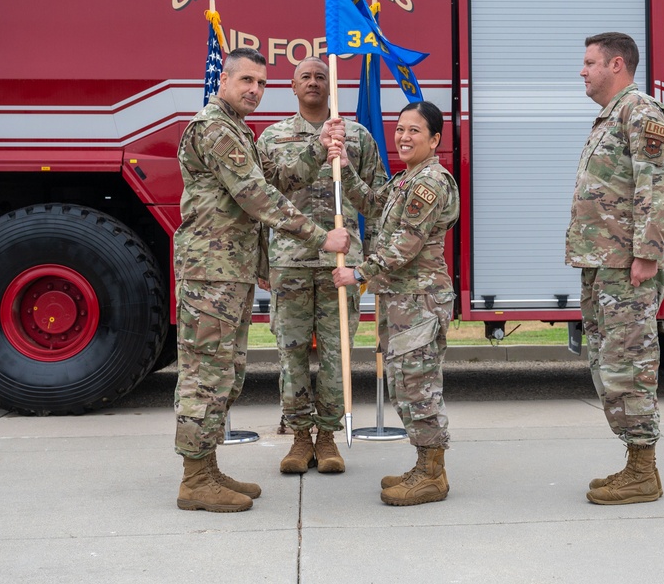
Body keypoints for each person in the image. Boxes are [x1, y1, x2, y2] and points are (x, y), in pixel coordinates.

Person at [172, 47, 350, 513]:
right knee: (204, 375)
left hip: (229, 271)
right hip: (210, 273)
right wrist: (319, 236)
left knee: (225, 373)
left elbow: (278, 175)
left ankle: (206, 468)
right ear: (223, 81)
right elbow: (256, 195)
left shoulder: (239, 131)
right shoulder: (213, 128)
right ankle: (194, 479)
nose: (254, 90)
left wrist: (318, 145)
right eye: (246, 80)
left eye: (261, 83)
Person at [256, 57, 387, 475]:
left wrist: (375, 264)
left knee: (337, 356)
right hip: (289, 262)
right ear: (291, 87)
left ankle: (328, 437)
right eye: (305, 77)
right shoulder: (272, 138)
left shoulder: (358, 136)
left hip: (341, 265)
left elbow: (378, 202)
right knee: (290, 354)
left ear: (332, 87)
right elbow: (259, 202)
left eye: (320, 76)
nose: (313, 82)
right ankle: (298, 438)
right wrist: (263, 261)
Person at [566, 32, 664, 505]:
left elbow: (658, 183)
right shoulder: (611, 116)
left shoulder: (641, 111)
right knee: (611, 363)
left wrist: (646, 255)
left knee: (630, 363)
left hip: (625, 265)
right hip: (604, 263)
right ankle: (635, 463)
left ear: (616, 64)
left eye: (589, 62)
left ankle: (643, 472)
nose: (582, 70)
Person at [331, 100, 459, 506]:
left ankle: (432, 475)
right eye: (400, 129)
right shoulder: (406, 180)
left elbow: (407, 242)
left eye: (414, 131)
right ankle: (425, 464)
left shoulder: (430, 182)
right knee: (405, 385)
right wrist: (344, 162)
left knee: (419, 387)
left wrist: (359, 272)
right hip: (401, 299)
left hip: (419, 300)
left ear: (435, 139)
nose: (403, 137)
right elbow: (370, 201)